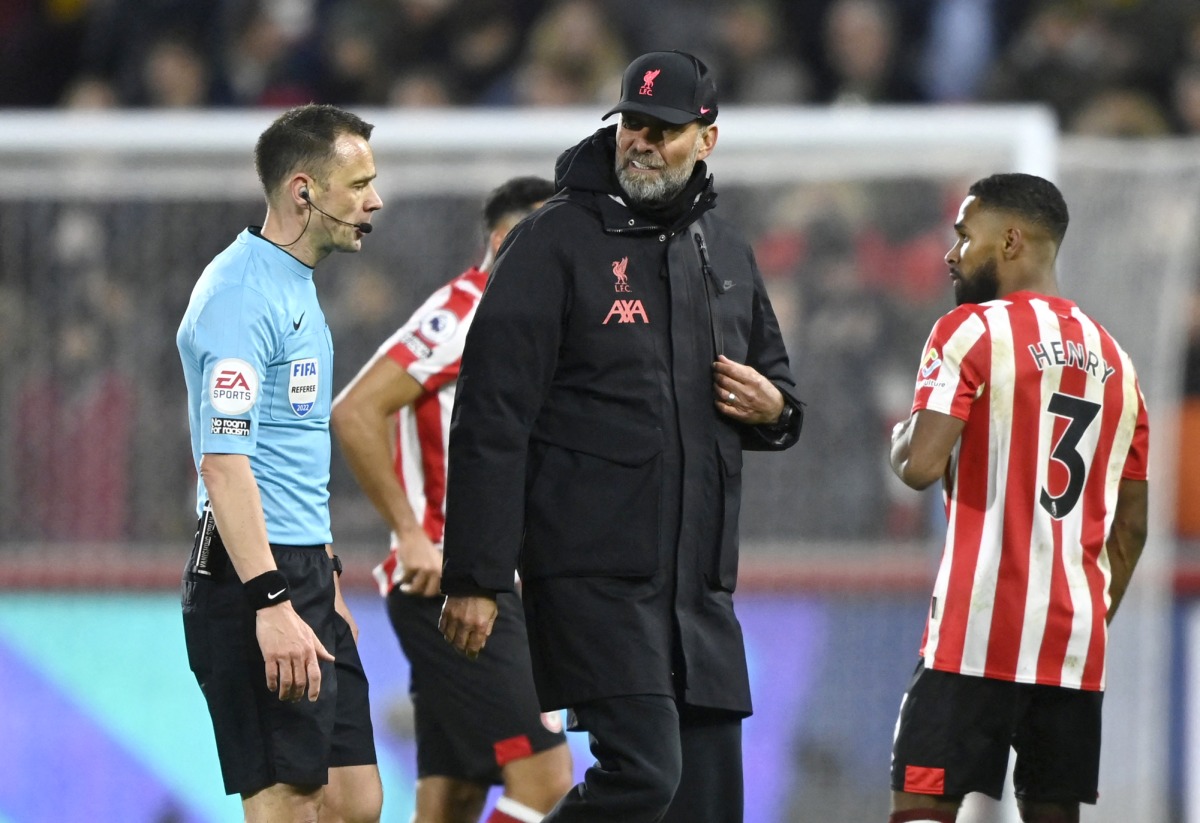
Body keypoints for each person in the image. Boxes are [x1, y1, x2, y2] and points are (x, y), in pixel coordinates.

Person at [438, 50, 804, 822]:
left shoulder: (727, 252)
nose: (641, 141)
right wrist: (475, 574)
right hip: (593, 580)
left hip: (698, 591)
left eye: (663, 129)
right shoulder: (554, 242)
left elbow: (781, 398)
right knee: (642, 774)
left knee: (706, 808)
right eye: (632, 124)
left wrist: (774, 409)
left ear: (707, 137)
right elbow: (490, 413)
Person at [886, 173, 1149, 823]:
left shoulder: (968, 331)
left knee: (923, 807)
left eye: (962, 235)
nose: (951, 254)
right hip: (1072, 642)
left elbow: (921, 465)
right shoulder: (1117, 360)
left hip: (975, 632)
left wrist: (899, 436)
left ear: (1009, 239)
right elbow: (1133, 526)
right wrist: (1083, 615)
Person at [331, 176, 574, 823]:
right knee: (547, 780)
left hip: (499, 582)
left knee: (454, 795)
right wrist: (409, 533)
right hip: (453, 580)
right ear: (503, 241)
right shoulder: (463, 314)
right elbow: (355, 411)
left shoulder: (537, 329)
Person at [176, 103, 384, 823]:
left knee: (356, 799)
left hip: (304, 572)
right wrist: (271, 601)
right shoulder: (240, 297)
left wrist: (324, 575)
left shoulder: (293, 284)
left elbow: (289, 453)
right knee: (290, 803)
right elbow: (225, 465)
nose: (374, 201)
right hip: (249, 577)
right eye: (358, 184)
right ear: (304, 191)